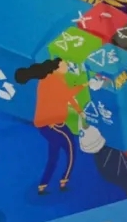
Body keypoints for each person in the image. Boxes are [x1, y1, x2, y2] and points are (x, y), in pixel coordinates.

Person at [16, 59, 88, 193]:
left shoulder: (55, 79)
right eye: (64, 64)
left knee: (54, 153)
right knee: (71, 149)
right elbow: (68, 94)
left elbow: (66, 97)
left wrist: (79, 111)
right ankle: (64, 180)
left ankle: (43, 184)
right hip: (53, 124)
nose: (67, 66)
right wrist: (85, 84)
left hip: (48, 124)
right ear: (57, 68)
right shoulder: (52, 80)